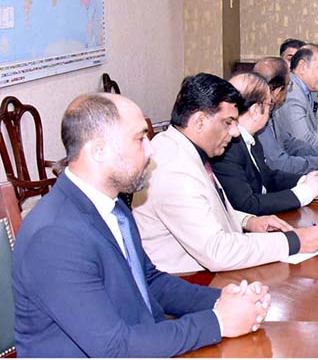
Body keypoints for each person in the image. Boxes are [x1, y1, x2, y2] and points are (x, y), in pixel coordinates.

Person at [13, 93, 270, 357]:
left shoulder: (113, 206)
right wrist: (218, 322)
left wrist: (222, 300)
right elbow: (114, 348)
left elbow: (149, 281)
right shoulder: (55, 237)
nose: (151, 149)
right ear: (98, 150)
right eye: (139, 139)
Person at [132, 73, 318, 273]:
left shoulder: (179, 146)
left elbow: (204, 209)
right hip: (188, 279)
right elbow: (218, 252)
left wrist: (247, 221)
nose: (236, 132)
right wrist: (293, 242)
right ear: (200, 121)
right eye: (228, 122)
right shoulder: (175, 169)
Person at [212, 72, 318, 216]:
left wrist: (305, 180)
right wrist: (304, 192)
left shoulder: (251, 137)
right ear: (256, 110)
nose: (271, 110)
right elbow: (246, 204)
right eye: (270, 104)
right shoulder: (227, 147)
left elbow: (267, 177)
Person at [253, 57, 318, 173]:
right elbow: (280, 163)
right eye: (288, 86)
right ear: (278, 91)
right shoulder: (258, 117)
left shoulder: (271, 110)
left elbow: (290, 143)